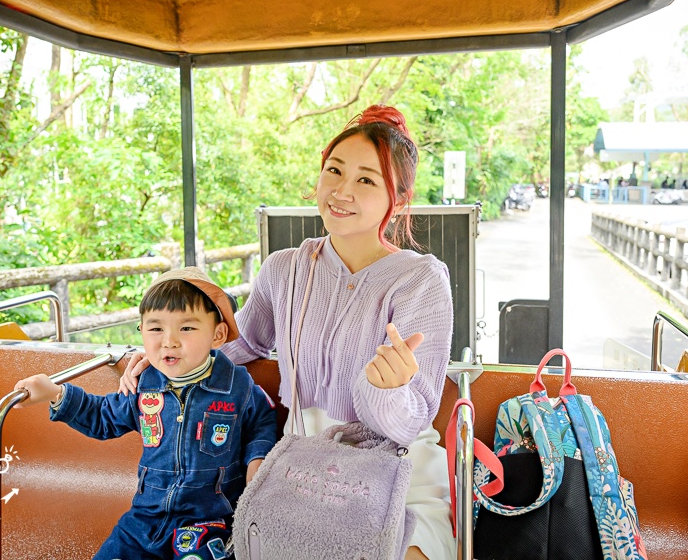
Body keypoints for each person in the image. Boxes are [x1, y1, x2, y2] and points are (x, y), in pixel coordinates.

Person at [121, 105, 455, 560]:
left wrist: (386, 389)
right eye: (334, 170)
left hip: (396, 469)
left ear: (397, 200)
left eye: (366, 180)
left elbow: (410, 420)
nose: (341, 190)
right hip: (303, 466)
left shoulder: (421, 280)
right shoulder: (285, 268)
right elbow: (242, 341)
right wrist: (170, 353)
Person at [14, 268, 278, 560]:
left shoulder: (236, 386)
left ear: (217, 335)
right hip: (144, 519)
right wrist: (56, 393)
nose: (169, 341)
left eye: (186, 328)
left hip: (210, 521)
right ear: (141, 331)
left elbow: (261, 422)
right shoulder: (143, 385)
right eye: (155, 329)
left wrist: (257, 462)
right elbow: (103, 417)